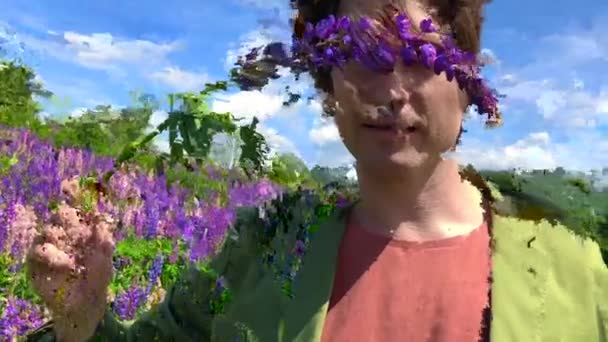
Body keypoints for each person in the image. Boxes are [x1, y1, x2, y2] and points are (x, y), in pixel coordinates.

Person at [27, 0, 608, 341]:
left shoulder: (579, 268)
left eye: (418, 56)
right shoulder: (264, 252)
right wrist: (83, 322)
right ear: (329, 86)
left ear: (467, 82)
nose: (392, 90)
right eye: (363, 58)